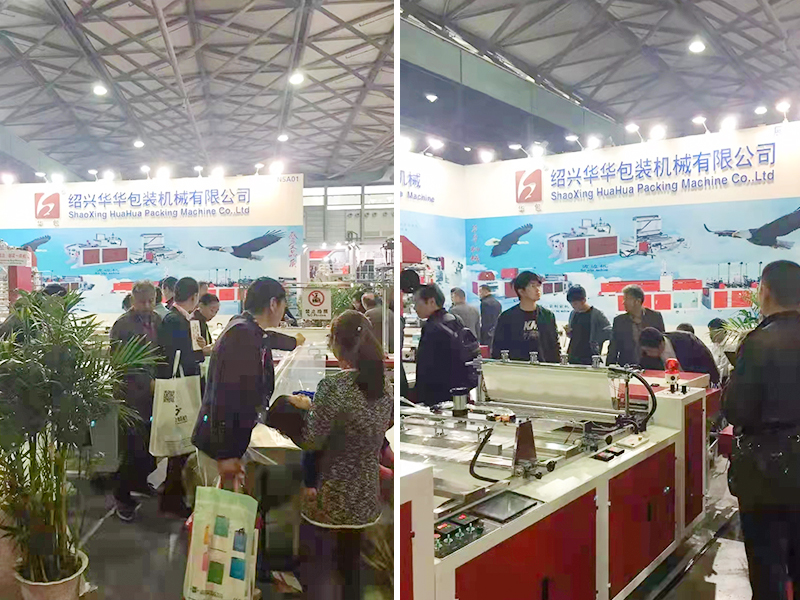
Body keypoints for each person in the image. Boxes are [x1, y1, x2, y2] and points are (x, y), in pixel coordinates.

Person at [290, 310, 393, 600]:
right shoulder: (383, 386)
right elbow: (379, 429)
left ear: (337, 343)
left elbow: (313, 440)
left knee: (321, 576)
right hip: (364, 498)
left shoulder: (333, 387)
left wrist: (298, 413)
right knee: (352, 573)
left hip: (329, 499)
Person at [723, 260, 800, 600]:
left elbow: (736, 408)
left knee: (767, 563)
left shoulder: (759, 342)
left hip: (766, 471)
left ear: (765, 292)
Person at [192, 277, 302, 486]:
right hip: (220, 449)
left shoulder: (246, 328)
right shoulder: (242, 334)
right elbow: (226, 395)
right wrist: (226, 455)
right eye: (284, 305)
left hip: (225, 445)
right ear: (273, 304)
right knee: (220, 505)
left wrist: (294, 342)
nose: (284, 311)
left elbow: (269, 338)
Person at [156, 277, 210, 518]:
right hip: (179, 389)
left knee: (181, 443)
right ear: (194, 297)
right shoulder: (175, 321)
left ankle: (173, 494)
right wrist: (201, 353)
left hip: (180, 387)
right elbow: (179, 358)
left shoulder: (179, 319)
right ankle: (171, 497)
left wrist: (199, 349)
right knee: (178, 443)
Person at [109, 281, 161, 521]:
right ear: (132, 300)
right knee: (131, 447)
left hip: (153, 393)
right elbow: (120, 363)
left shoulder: (157, 320)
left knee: (148, 445)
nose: (147, 306)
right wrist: (145, 382)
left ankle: (139, 483)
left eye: (151, 301)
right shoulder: (122, 325)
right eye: (142, 302)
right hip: (130, 395)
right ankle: (121, 496)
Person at [413, 284, 466, 406]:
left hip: (435, 394)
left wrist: (419, 396)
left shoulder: (432, 327)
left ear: (432, 302)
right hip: (458, 389)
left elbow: (425, 366)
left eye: (416, 303)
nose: (415, 308)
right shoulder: (455, 319)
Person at [491, 272, 560, 363]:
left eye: (538, 285)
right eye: (533, 286)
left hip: (543, 367)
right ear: (521, 291)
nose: (537, 289)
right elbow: (498, 348)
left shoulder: (547, 315)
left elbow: (554, 346)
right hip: (517, 367)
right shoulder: (507, 317)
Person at [606, 284, 665, 366]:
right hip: (627, 367)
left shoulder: (655, 317)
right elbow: (613, 348)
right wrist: (609, 368)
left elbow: (663, 344)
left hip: (651, 366)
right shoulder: (619, 321)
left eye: (626, 299)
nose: (623, 303)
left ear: (637, 301)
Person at [638, 327, 720, 384]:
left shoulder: (687, 341)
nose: (647, 354)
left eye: (649, 351)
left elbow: (707, 361)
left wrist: (715, 381)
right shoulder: (646, 355)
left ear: (661, 344)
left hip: (695, 380)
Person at [565, 285, 611, 365]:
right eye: (571, 303)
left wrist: (596, 340)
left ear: (584, 300)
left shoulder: (597, 314)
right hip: (573, 356)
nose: (573, 306)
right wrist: (569, 332)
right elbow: (574, 335)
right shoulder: (573, 314)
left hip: (589, 357)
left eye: (575, 303)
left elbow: (609, 331)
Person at [708, 318, 733, 382]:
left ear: (723, 331)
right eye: (709, 331)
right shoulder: (714, 345)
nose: (710, 334)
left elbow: (724, 370)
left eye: (712, 331)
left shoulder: (730, 346)